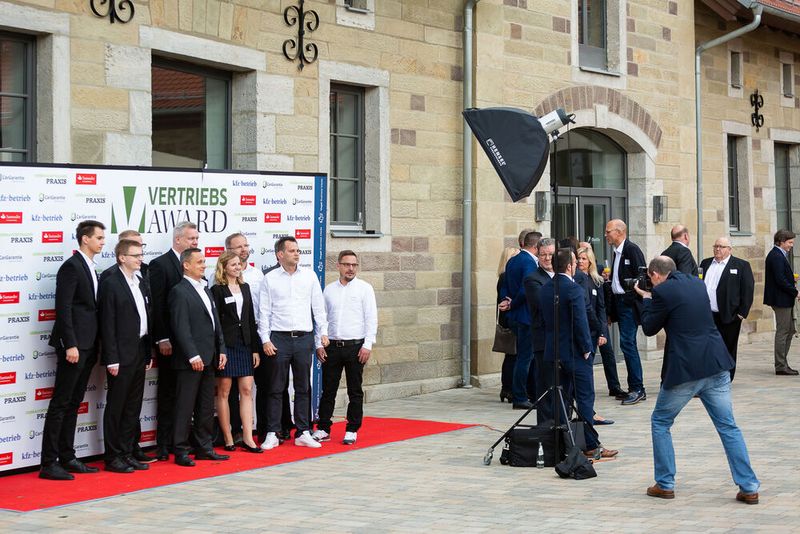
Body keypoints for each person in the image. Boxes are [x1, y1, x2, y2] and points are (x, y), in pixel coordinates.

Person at [635, 256, 759, 503]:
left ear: (656, 275)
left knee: (660, 421)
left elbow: (649, 328)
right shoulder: (696, 283)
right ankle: (749, 487)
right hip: (715, 363)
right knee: (728, 426)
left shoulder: (661, 292)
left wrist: (646, 299)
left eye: (650, 277)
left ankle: (665, 483)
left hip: (686, 369)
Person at [39, 220, 105, 481]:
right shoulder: (71, 266)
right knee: (61, 403)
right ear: (85, 239)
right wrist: (71, 344)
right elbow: (63, 308)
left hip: (89, 345)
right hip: (75, 346)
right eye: (98, 237)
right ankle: (49, 463)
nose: (102, 241)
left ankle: (67, 456)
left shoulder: (91, 267)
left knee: (74, 402)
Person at [539, 248, 618, 460]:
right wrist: (586, 348)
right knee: (585, 398)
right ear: (568, 266)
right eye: (574, 262)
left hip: (553, 351)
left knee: (561, 399)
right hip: (574, 352)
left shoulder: (545, 289)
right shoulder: (573, 289)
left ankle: (563, 443)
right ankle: (590, 444)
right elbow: (580, 322)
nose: (576, 266)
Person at [258, 236, 329, 450]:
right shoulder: (270, 279)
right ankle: (272, 432)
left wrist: (322, 335)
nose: (297, 254)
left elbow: (318, 308)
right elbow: (264, 312)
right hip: (278, 339)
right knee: (276, 387)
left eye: (298, 250)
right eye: (292, 250)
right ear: (280, 254)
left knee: (303, 387)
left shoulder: (309, 276)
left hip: (304, 338)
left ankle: (303, 431)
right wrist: (265, 339)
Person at [99, 229, 155, 464]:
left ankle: (127, 452)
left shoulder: (139, 281)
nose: (140, 258)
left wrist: (148, 351)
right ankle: (113, 456)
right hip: (120, 355)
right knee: (117, 406)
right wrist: (111, 358)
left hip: (139, 351)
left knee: (133, 407)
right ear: (122, 257)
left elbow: (145, 317)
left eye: (141, 254)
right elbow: (107, 322)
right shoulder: (111, 282)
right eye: (135, 255)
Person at [169, 248, 229, 466]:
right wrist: (192, 355)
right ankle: (181, 450)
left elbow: (215, 324)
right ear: (186, 265)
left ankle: (204, 447)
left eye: (204, 261)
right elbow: (180, 327)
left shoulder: (206, 288)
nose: (204, 265)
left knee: (205, 405)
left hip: (210, 357)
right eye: (199, 262)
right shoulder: (179, 291)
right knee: (185, 406)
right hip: (190, 361)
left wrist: (221, 349)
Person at [312, 250, 378, 446]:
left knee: (354, 390)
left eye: (354, 265)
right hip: (331, 346)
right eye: (347, 264)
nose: (351, 268)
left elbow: (371, 318)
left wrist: (367, 345)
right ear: (338, 266)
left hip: (355, 347)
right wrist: (318, 343)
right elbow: (321, 319)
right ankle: (323, 428)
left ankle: (352, 429)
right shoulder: (329, 290)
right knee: (328, 390)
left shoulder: (365, 289)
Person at [149, 221, 199, 461]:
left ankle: (184, 440)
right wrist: (162, 338)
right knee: (169, 392)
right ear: (178, 239)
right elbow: (157, 305)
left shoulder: (197, 266)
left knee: (187, 394)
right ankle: (164, 444)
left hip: (191, 342)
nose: (195, 243)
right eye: (191, 239)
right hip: (170, 341)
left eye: (197, 239)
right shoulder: (160, 265)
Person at [210, 252, 262, 453]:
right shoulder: (216, 290)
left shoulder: (245, 287)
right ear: (223, 267)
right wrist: (220, 349)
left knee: (247, 390)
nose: (237, 267)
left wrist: (255, 349)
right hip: (227, 346)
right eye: (233, 264)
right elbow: (216, 324)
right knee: (224, 391)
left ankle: (248, 437)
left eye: (239, 264)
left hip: (245, 344)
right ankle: (229, 436)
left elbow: (250, 319)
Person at [699, 238, 754, 380]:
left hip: (730, 315)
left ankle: (726, 377)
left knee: (727, 348)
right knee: (707, 347)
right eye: (716, 246)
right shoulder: (705, 263)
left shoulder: (741, 265)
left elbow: (747, 291)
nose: (718, 249)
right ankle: (709, 376)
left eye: (722, 247)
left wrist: (741, 314)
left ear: (729, 249)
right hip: (707, 315)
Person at [605, 219, 647, 405]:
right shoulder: (617, 252)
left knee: (627, 344)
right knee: (626, 344)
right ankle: (634, 386)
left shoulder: (631, 249)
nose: (605, 235)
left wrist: (632, 295)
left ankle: (637, 388)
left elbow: (641, 275)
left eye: (608, 232)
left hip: (628, 304)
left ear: (619, 232)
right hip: (619, 304)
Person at [499, 231, 540, 409]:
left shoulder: (513, 260)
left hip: (516, 315)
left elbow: (506, 285)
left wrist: (507, 301)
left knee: (521, 357)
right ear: (536, 246)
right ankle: (520, 396)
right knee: (525, 358)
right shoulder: (529, 262)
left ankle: (525, 393)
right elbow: (527, 287)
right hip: (525, 315)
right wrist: (513, 303)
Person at [576, 245, 614, 425]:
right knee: (583, 373)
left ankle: (588, 410)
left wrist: (602, 332)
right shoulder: (574, 280)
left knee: (588, 370)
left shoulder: (596, 281)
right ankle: (586, 411)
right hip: (579, 332)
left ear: (590, 261)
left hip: (592, 332)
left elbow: (600, 309)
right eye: (579, 259)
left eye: (584, 259)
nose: (581, 262)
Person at [522, 238, 555, 424]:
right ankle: (545, 428)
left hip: (563, 340)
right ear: (538, 255)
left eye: (551, 254)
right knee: (545, 387)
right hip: (544, 340)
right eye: (543, 255)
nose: (547, 258)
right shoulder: (533, 278)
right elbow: (544, 305)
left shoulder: (564, 275)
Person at [763, 229, 799, 376]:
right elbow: (780, 280)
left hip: (784, 298)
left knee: (790, 330)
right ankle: (780, 365)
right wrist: (795, 291)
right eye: (790, 243)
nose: (791, 246)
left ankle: (783, 363)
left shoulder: (779, 254)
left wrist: (792, 279)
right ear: (781, 241)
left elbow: (782, 277)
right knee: (783, 331)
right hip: (781, 299)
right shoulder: (776, 256)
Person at [496, 246, 519, 402]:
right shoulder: (505, 277)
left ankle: (506, 388)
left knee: (511, 355)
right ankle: (508, 388)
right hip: (510, 319)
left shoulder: (506, 276)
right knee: (512, 355)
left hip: (509, 318)